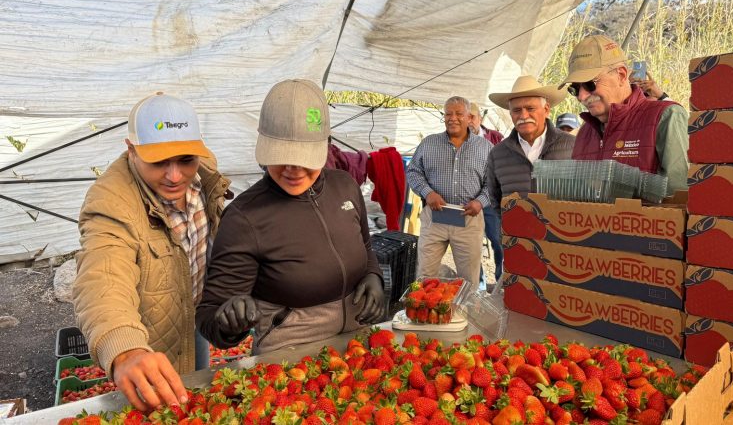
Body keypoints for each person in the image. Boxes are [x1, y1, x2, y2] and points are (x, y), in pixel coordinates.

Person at [196, 79, 385, 355]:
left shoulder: (344, 186)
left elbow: (365, 247)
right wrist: (228, 322)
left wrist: (373, 275)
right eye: (281, 156)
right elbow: (209, 314)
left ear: (326, 146)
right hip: (288, 358)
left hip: (357, 342)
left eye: (305, 157)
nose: (293, 169)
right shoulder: (245, 217)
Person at [73, 92, 232, 412]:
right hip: (151, 337)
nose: (175, 176)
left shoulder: (204, 167)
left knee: (196, 390)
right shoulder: (112, 202)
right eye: (158, 161)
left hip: (195, 312)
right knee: (163, 408)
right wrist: (126, 350)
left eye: (186, 159)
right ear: (131, 150)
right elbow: (103, 276)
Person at [559, 34, 688, 195]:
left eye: (589, 84)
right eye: (575, 89)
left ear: (621, 75)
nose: (581, 96)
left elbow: (678, 198)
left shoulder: (666, 115)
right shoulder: (585, 131)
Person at [406, 96, 492, 290]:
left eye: (458, 114)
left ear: (469, 117)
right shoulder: (429, 143)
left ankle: (464, 317)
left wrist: (480, 202)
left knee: (468, 279)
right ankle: (426, 315)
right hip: (435, 217)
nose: (452, 118)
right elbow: (413, 172)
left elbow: (493, 183)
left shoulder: (485, 148)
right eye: (448, 114)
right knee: (425, 275)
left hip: (468, 219)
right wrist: (428, 193)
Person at [486, 75, 575, 211]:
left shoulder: (572, 145)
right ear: (510, 114)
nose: (523, 116)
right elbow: (496, 202)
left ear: (546, 110)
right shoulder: (497, 154)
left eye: (530, 109)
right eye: (516, 110)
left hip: (562, 231)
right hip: (516, 231)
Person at [469, 102, 504, 290]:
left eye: (472, 117)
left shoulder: (495, 137)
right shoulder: (457, 140)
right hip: (468, 202)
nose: (468, 121)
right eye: (464, 117)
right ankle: (478, 288)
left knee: (498, 241)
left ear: (479, 118)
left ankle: (501, 285)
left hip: (491, 202)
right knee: (472, 246)